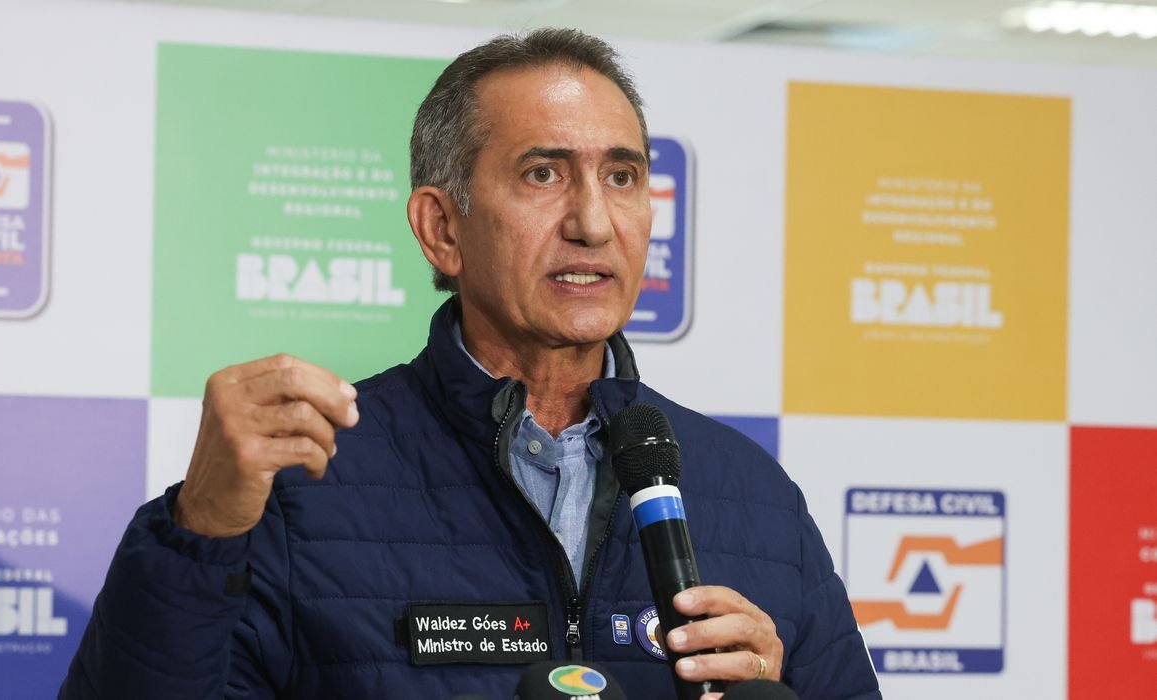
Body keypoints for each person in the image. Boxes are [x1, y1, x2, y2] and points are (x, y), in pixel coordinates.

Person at [62, 28, 880, 699]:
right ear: (441, 229)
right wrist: (200, 533)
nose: (594, 222)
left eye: (622, 176)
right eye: (543, 173)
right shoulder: (304, 483)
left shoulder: (754, 494)